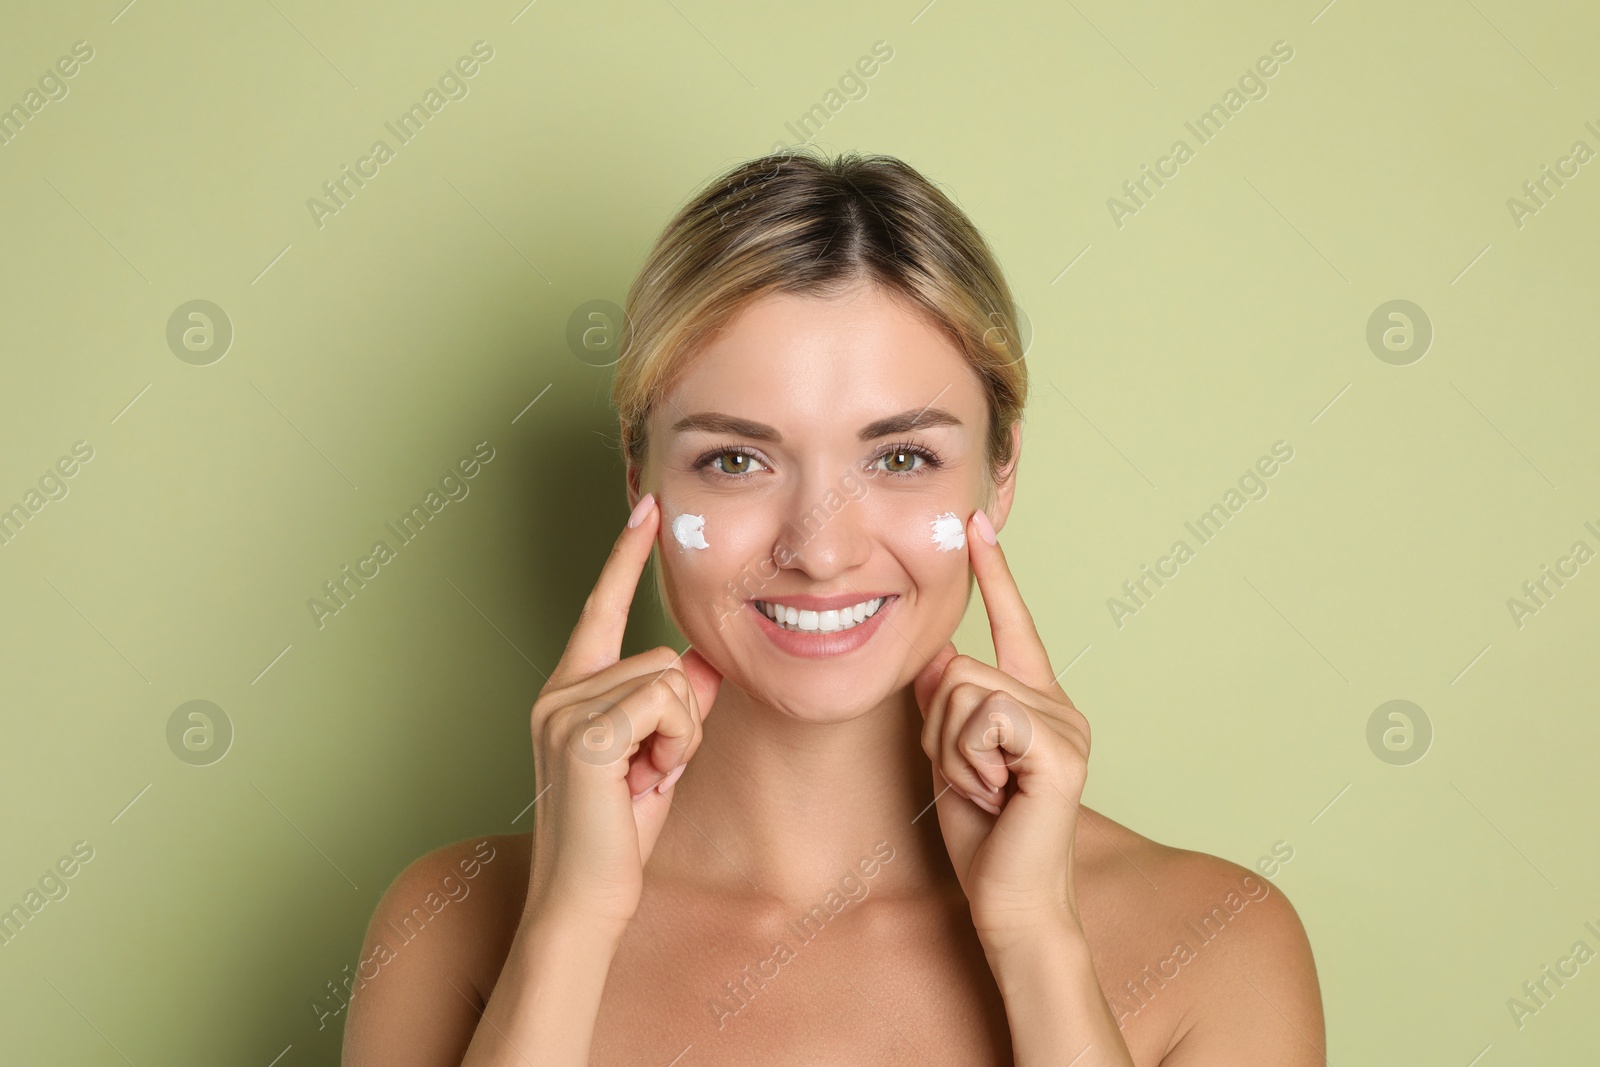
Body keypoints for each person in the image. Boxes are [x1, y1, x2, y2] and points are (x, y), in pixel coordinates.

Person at [342, 149, 1325, 1065]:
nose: (818, 548)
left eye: (901, 458)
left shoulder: (1217, 940)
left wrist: (1036, 937)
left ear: (1000, 474)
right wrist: (572, 922)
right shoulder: (451, 923)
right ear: (640, 476)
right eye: (735, 459)